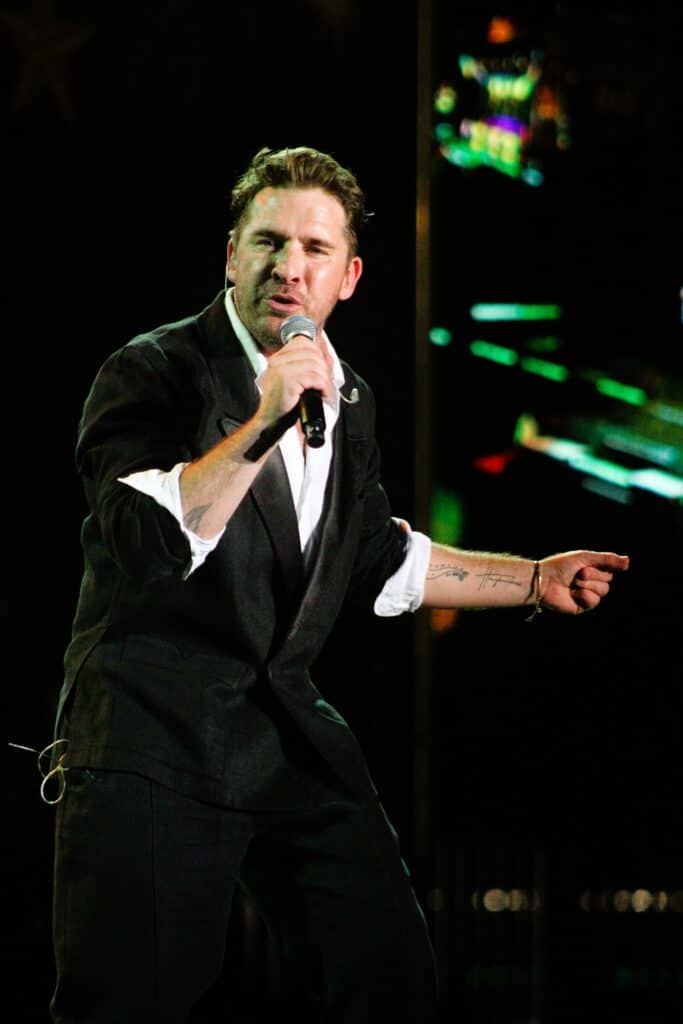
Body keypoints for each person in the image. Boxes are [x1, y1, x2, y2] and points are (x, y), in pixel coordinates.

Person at [48, 145, 629, 1024]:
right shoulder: (153, 370)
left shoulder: (346, 397)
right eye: (268, 242)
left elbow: (373, 556)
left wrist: (532, 580)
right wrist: (264, 419)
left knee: (388, 973)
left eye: (315, 248)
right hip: (152, 732)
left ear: (348, 277)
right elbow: (148, 543)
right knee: (131, 1003)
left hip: (280, 736)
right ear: (231, 256)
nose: (289, 266)